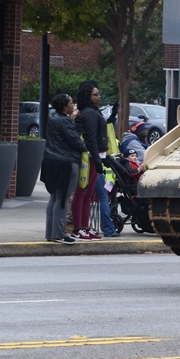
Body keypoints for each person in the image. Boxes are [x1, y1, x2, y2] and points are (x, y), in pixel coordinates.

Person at [40, 93, 87, 245]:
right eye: (71, 102)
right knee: (62, 199)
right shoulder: (65, 121)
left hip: (51, 161)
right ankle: (59, 234)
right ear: (65, 106)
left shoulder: (53, 118)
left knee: (54, 197)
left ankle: (51, 233)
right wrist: (86, 147)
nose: (73, 105)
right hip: (65, 162)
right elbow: (75, 141)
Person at [71, 81, 112, 240]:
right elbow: (91, 139)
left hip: (96, 155)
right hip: (90, 157)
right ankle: (78, 229)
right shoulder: (89, 113)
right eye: (96, 94)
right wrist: (98, 160)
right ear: (88, 96)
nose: (99, 97)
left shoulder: (92, 112)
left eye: (98, 94)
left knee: (89, 193)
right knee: (82, 192)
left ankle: (85, 227)